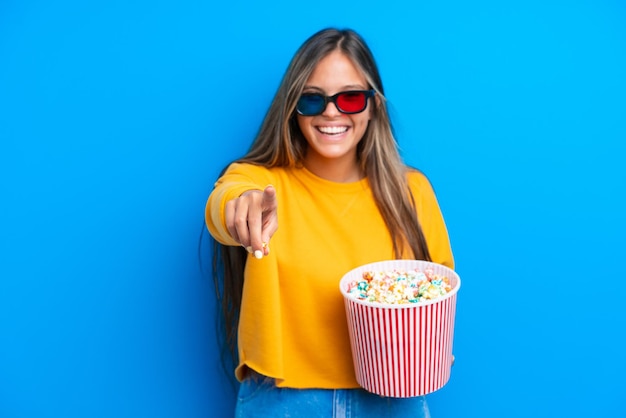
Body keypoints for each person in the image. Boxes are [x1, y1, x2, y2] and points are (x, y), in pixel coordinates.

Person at [205, 27, 454, 417]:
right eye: (312, 99)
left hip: (393, 402)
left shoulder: (413, 192)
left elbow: (441, 286)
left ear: (374, 106)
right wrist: (240, 209)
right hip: (283, 401)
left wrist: (433, 344)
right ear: (292, 107)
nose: (331, 112)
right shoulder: (261, 184)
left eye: (351, 98)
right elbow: (224, 204)